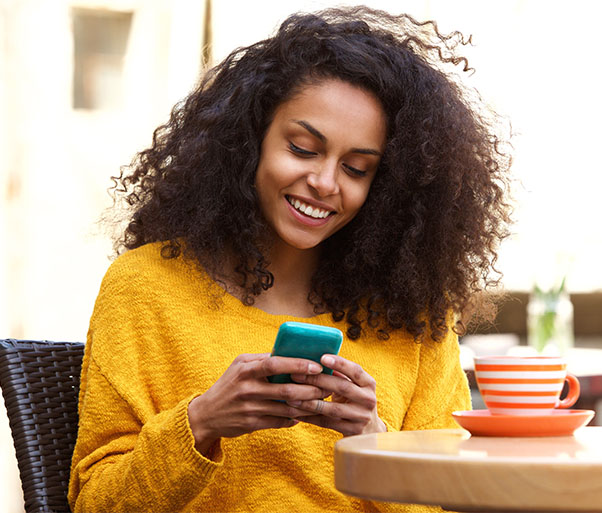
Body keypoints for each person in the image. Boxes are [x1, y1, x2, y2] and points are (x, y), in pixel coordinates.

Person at [68, 5, 511, 513]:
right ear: (249, 139)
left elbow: (454, 500)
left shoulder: (413, 316)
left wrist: (377, 444)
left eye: (357, 168)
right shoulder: (146, 288)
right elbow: (96, 503)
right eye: (302, 148)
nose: (325, 183)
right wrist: (203, 421)